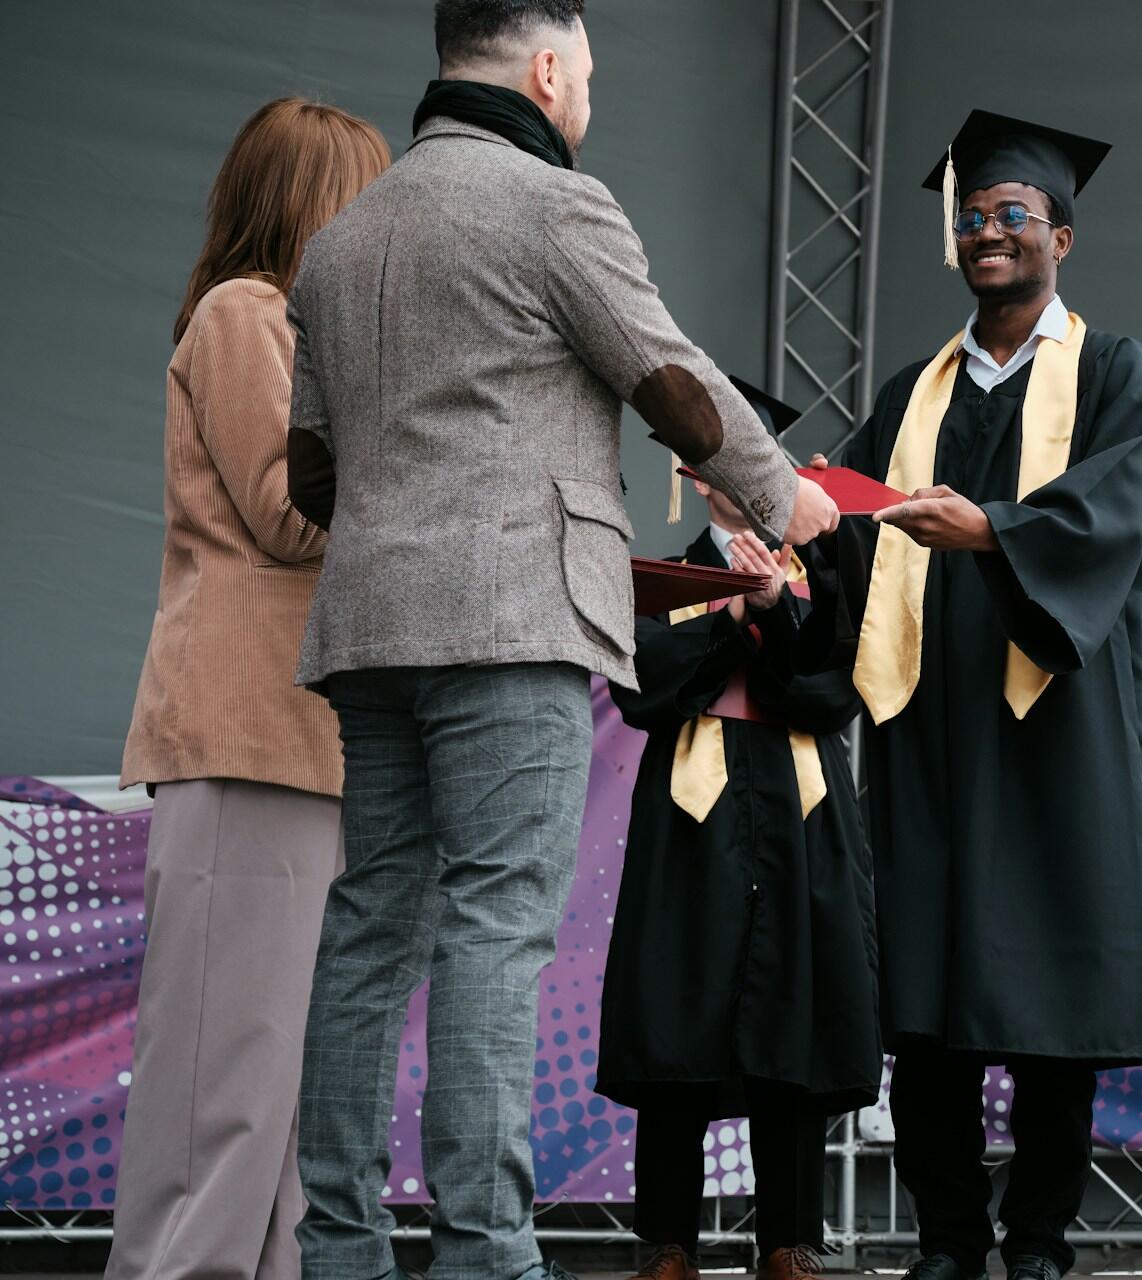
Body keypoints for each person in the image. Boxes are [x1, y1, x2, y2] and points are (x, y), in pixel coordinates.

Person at [282, 3, 838, 1278]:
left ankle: (344, 1251)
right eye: (585, 77)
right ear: (545, 70)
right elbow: (666, 372)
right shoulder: (552, 202)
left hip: (372, 624)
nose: (586, 101)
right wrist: (780, 491)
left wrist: (407, 511)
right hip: (510, 617)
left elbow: (312, 471)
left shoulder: (340, 241)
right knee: (494, 925)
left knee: (371, 926)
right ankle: (486, 1249)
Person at [802, 111, 1142, 1280]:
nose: (988, 233)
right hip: (934, 720)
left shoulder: (1109, 367)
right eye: (973, 219)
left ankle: (1038, 1238)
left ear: (1062, 239)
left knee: (1055, 991)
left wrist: (989, 527)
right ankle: (948, 1238)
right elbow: (852, 526)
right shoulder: (910, 392)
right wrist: (784, 523)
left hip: (1060, 718)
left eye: (1012, 218)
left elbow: (1111, 513)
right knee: (928, 991)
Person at [108, 97, 389, 1280]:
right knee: (224, 1076)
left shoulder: (303, 330)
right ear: (315, 203)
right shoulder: (245, 314)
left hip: (305, 744)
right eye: (365, 197)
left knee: (282, 1082)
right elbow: (287, 510)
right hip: (243, 739)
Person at [596, 379, 881, 1280]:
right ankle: (667, 1243)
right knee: (682, 1009)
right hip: (695, 818)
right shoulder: (661, 579)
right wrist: (734, 613)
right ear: (690, 467)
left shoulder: (826, 568)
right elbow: (645, 691)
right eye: (716, 447)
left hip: (800, 815)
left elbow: (834, 692)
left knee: (792, 1016)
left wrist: (781, 609)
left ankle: (788, 1244)